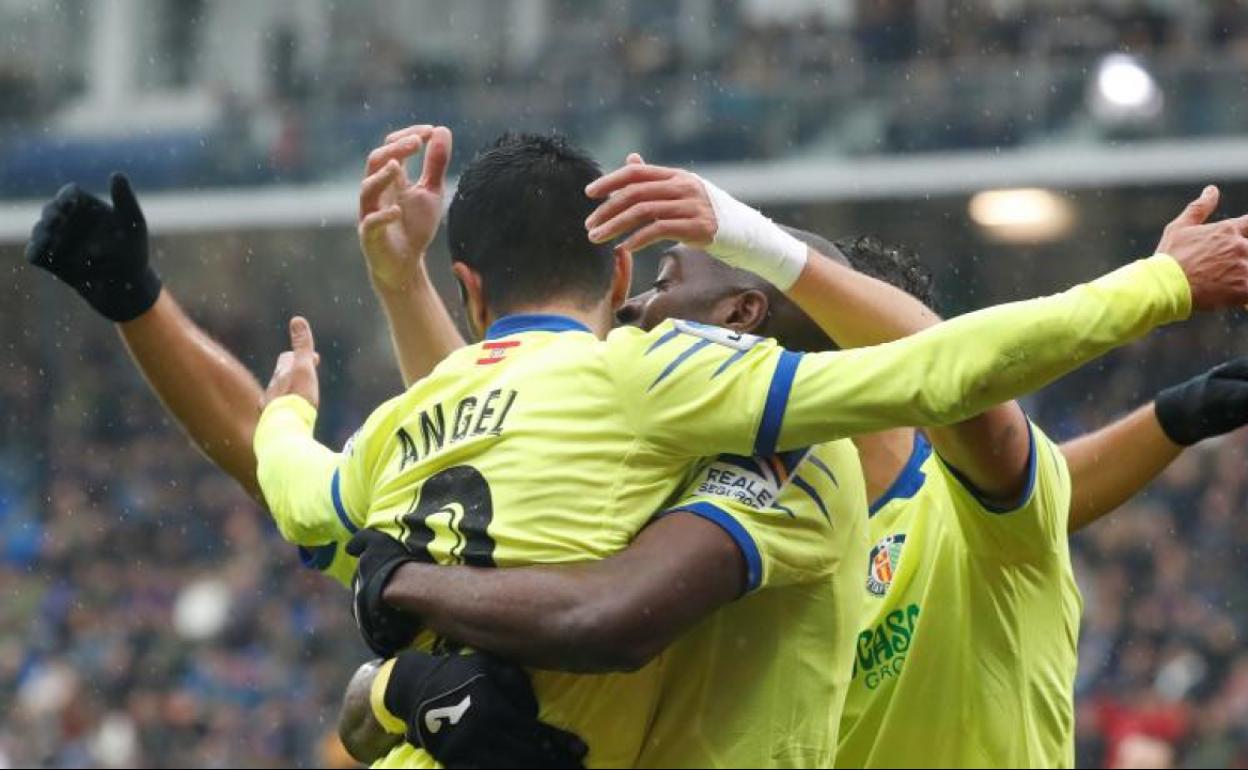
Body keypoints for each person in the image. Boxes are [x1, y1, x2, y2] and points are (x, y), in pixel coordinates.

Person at [255, 127, 1248, 770]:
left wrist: (750, 232)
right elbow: (497, 440)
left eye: (659, 285)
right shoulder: (697, 471)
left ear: (739, 314)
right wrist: (401, 284)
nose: (632, 307)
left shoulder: (939, 484)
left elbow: (946, 367)